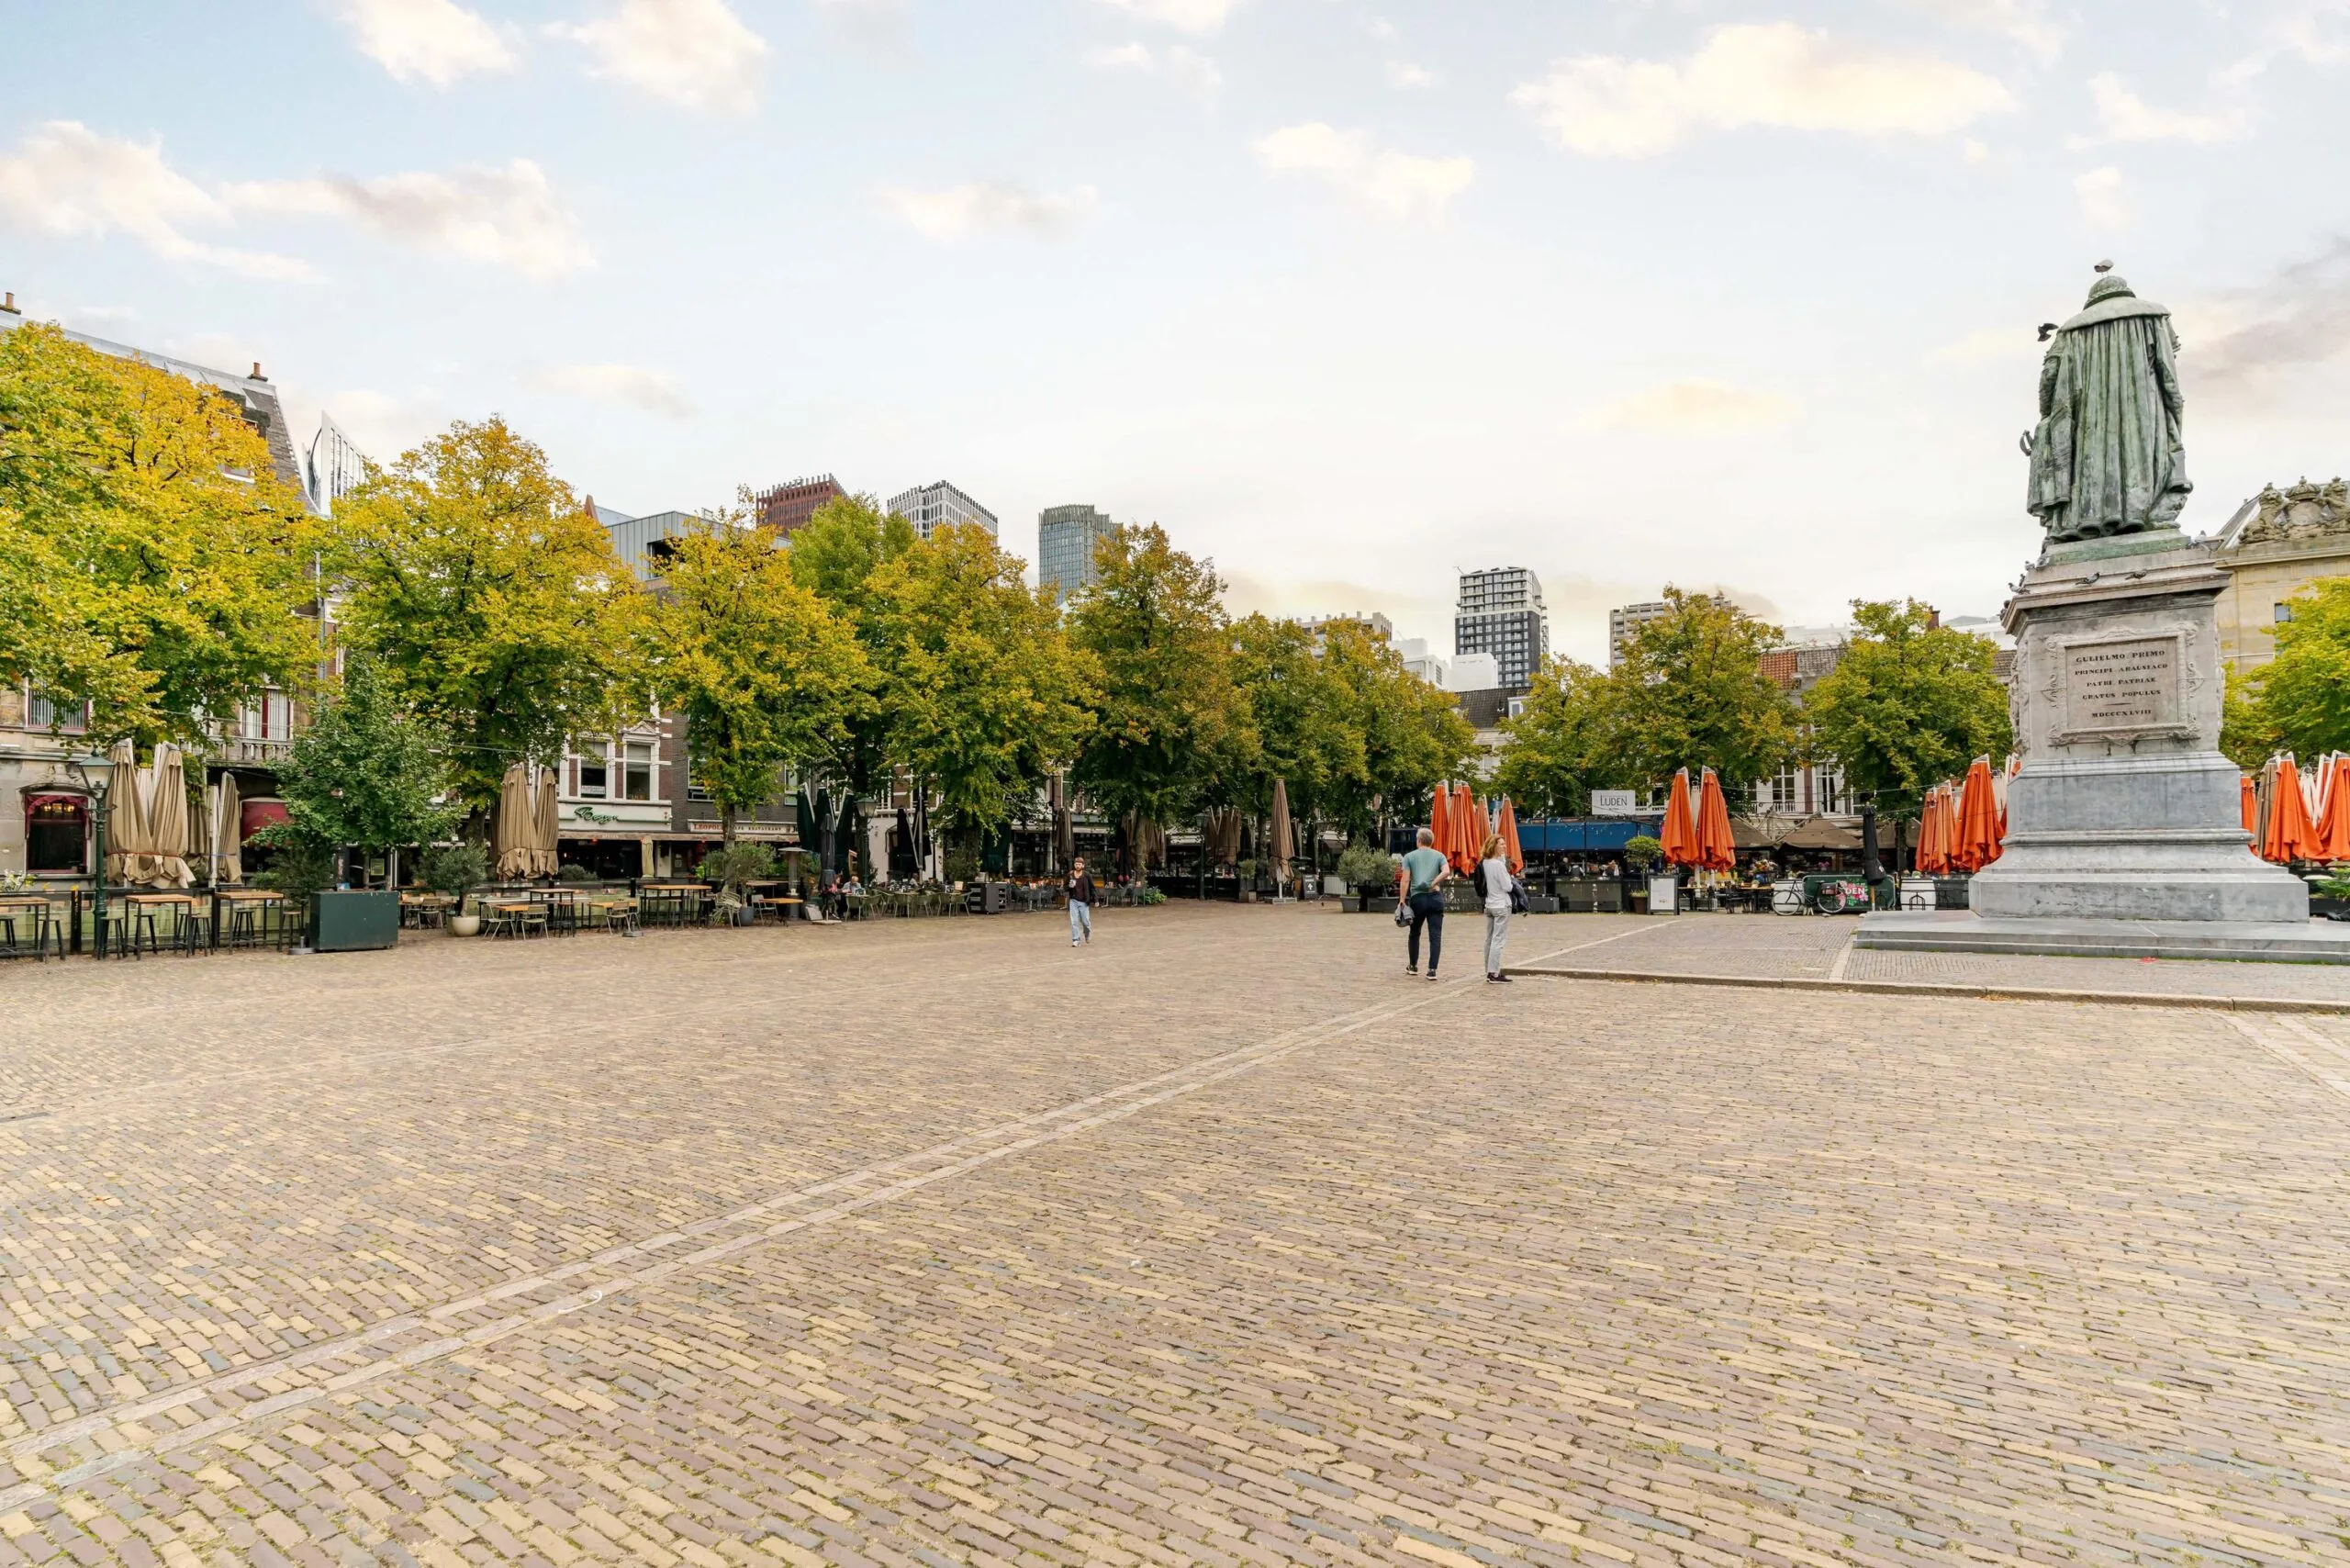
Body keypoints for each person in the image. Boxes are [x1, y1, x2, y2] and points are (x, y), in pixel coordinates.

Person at [1397, 826, 1450, 980]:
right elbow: (1446, 871)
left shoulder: (1409, 857)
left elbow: (1405, 880)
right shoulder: (1439, 855)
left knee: (1415, 932)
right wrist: (1433, 882)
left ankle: (1413, 966)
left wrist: (1402, 900)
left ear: (1418, 841)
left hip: (1418, 898)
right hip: (1435, 897)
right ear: (1431, 842)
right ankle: (1432, 969)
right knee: (1435, 935)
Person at [1473, 832, 1517, 983]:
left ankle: (1489, 970)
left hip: (1489, 904)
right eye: (1501, 844)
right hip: (1501, 904)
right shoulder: (1498, 865)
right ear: (1494, 846)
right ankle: (1494, 972)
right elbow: (1507, 886)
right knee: (1498, 939)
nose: (1504, 846)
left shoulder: (1484, 863)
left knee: (1489, 939)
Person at [1066, 857, 1096, 946]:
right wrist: (1069, 886)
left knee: (1085, 921)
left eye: (1079, 864)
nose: (1077, 866)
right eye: (1076, 864)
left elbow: (1092, 888)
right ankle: (1076, 940)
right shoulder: (1070, 875)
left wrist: (1095, 899)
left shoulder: (1087, 875)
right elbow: (1064, 887)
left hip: (1084, 901)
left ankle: (1087, 934)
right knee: (1074, 921)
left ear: (1083, 865)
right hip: (1073, 901)